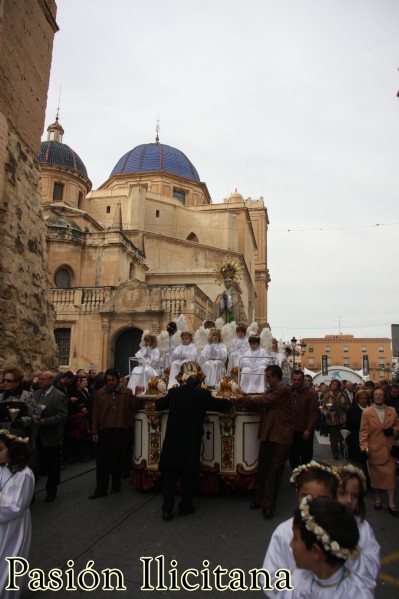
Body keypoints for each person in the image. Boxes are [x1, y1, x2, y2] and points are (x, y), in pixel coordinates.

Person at [155, 375, 231, 520]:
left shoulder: (174, 392)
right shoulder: (202, 394)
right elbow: (222, 405)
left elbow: (159, 405)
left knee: (169, 478)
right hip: (190, 442)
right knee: (188, 476)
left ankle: (167, 510)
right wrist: (227, 398)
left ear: (185, 383)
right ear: (199, 385)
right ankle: (185, 507)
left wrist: (158, 397)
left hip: (172, 441)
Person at [262, 461, 340, 587]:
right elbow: (270, 577)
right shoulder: (284, 532)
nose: (312, 504)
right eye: (306, 497)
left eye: (321, 499)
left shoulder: (342, 531)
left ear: (334, 498)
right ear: (297, 495)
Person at [235, 364, 294, 518]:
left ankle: (268, 505)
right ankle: (259, 499)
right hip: (269, 434)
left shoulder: (283, 390)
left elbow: (263, 402)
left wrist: (243, 398)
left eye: (268, 377)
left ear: (276, 377)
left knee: (274, 472)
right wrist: (246, 396)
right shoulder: (272, 390)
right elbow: (262, 403)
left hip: (281, 436)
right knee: (263, 469)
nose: (266, 380)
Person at [284, 497, 372, 599]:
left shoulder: (356, 595)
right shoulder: (299, 581)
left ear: (316, 551)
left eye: (295, 538)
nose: (290, 544)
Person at [89, 368, 138, 499]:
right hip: (104, 429)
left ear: (117, 379)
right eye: (108, 380)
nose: (110, 383)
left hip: (120, 429)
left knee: (117, 459)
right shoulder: (100, 394)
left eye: (113, 380)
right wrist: (94, 430)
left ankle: (116, 484)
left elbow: (132, 408)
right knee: (102, 461)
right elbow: (95, 414)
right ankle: (101, 488)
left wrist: (136, 397)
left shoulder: (127, 392)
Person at [0, 429, 35, 599]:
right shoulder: (4, 469)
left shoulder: (25, 475)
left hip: (14, 526)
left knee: (9, 560)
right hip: (2, 524)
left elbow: (16, 506)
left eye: (0, 449)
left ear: (12, 450)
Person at [337, 464, 380, 590]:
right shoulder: (319, 524)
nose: (349, 500)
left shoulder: (364, 529)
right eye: (342, 494)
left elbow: (371, 567)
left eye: (354, 496)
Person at [359, 385, 399, 516]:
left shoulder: (392, 411)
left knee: (390, 475)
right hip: (374, 449)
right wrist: (364, 448)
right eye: (376, 395)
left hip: (389, 448)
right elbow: (363, 432)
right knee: (376, 476)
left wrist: (393, 430)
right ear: (373, 397)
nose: (378, 397)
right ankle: (378, 499)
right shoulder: (367, 412)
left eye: (381, 395)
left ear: (384, 396)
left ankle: (391, 502)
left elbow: (397, 425)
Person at [34, 371, 68, 503]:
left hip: (51, 436)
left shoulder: (59, 396)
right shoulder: (36, 394)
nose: (39, 381)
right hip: (36, 436)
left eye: (42, 379)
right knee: (34, 465)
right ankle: (30, 494)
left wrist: (46, 421)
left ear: (50, 381)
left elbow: (63, 415)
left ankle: (51, 490)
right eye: (39, 379)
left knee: (53, 466)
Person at [289, 370, 319, 469]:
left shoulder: (311, 393)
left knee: (306, 455)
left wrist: (308, 429)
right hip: (292, 429)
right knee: (293, 455)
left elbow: (313, 413)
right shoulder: (290, 391)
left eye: (298, 380)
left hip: (304, 429)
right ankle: (295, 475)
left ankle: (304, 478)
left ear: (302, 380)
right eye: (294, 379)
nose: (296, 382)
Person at [0, 367, 39, 440]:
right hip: (2, 439)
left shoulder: (27, 396)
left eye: (9, 381)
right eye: (3, 380)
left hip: (19, 439)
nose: (5, 383)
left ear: (17, 382)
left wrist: (22, 421)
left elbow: (36, 417)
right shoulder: (1, 397)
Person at [322, 379, 349, 460]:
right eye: (332, 384)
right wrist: (326, 413)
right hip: (332, 418)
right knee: (334, 438)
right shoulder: (327, 395)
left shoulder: (343, 395)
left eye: (336, 384)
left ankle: (343, 451)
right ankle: (335, 453)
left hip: (341, 418)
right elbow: (324, 408)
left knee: (342, 437)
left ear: (338, 386)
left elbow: (347, 406)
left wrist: (342, 406)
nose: (334, 386)